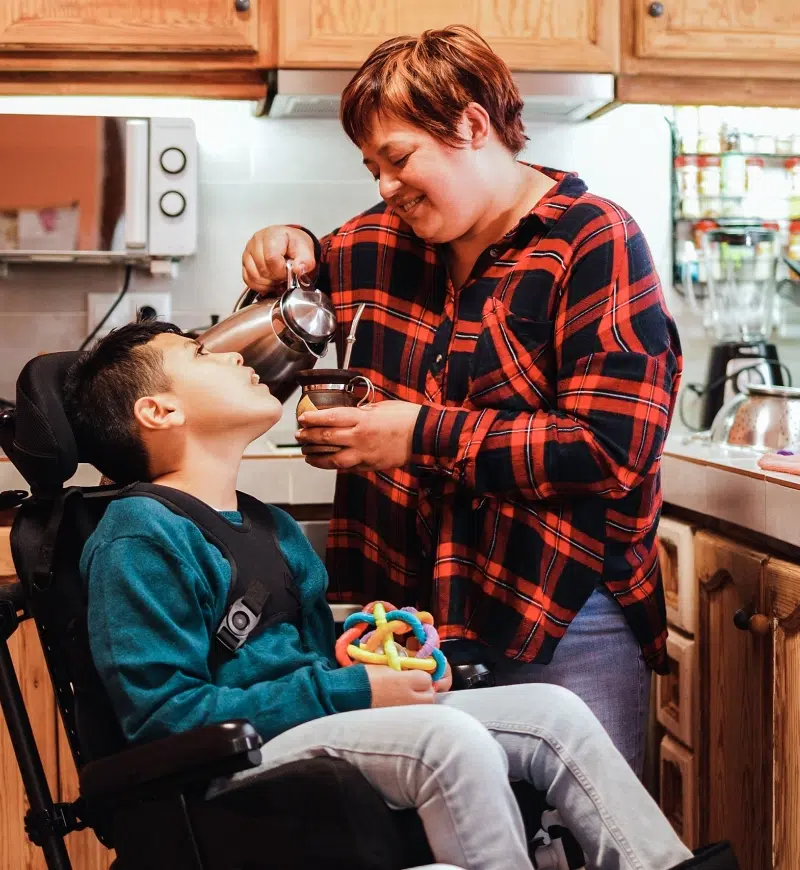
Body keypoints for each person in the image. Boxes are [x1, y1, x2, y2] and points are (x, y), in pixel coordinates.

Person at [63, 320, 725, 870]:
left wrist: (359, 665)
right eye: (202, 353)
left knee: (555, 713)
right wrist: (350, 692)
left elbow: (311, 670)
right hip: (222, 769)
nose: (235, 351)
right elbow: (165, 720)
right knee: (451, 740)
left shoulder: (271, 526)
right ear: (159, 411)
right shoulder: (138, 536)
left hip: (297, 734)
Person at [241, 25, 683, 775]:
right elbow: (252, 362)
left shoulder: (592, 240)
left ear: (473, 125)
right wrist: (276, 261)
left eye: (400, 158)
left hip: (562, 616)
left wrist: (416, 436)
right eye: (373, 166)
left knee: (582, 843)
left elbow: (611, 450)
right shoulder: (373, 242)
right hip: (404, 629)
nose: (384, 186)